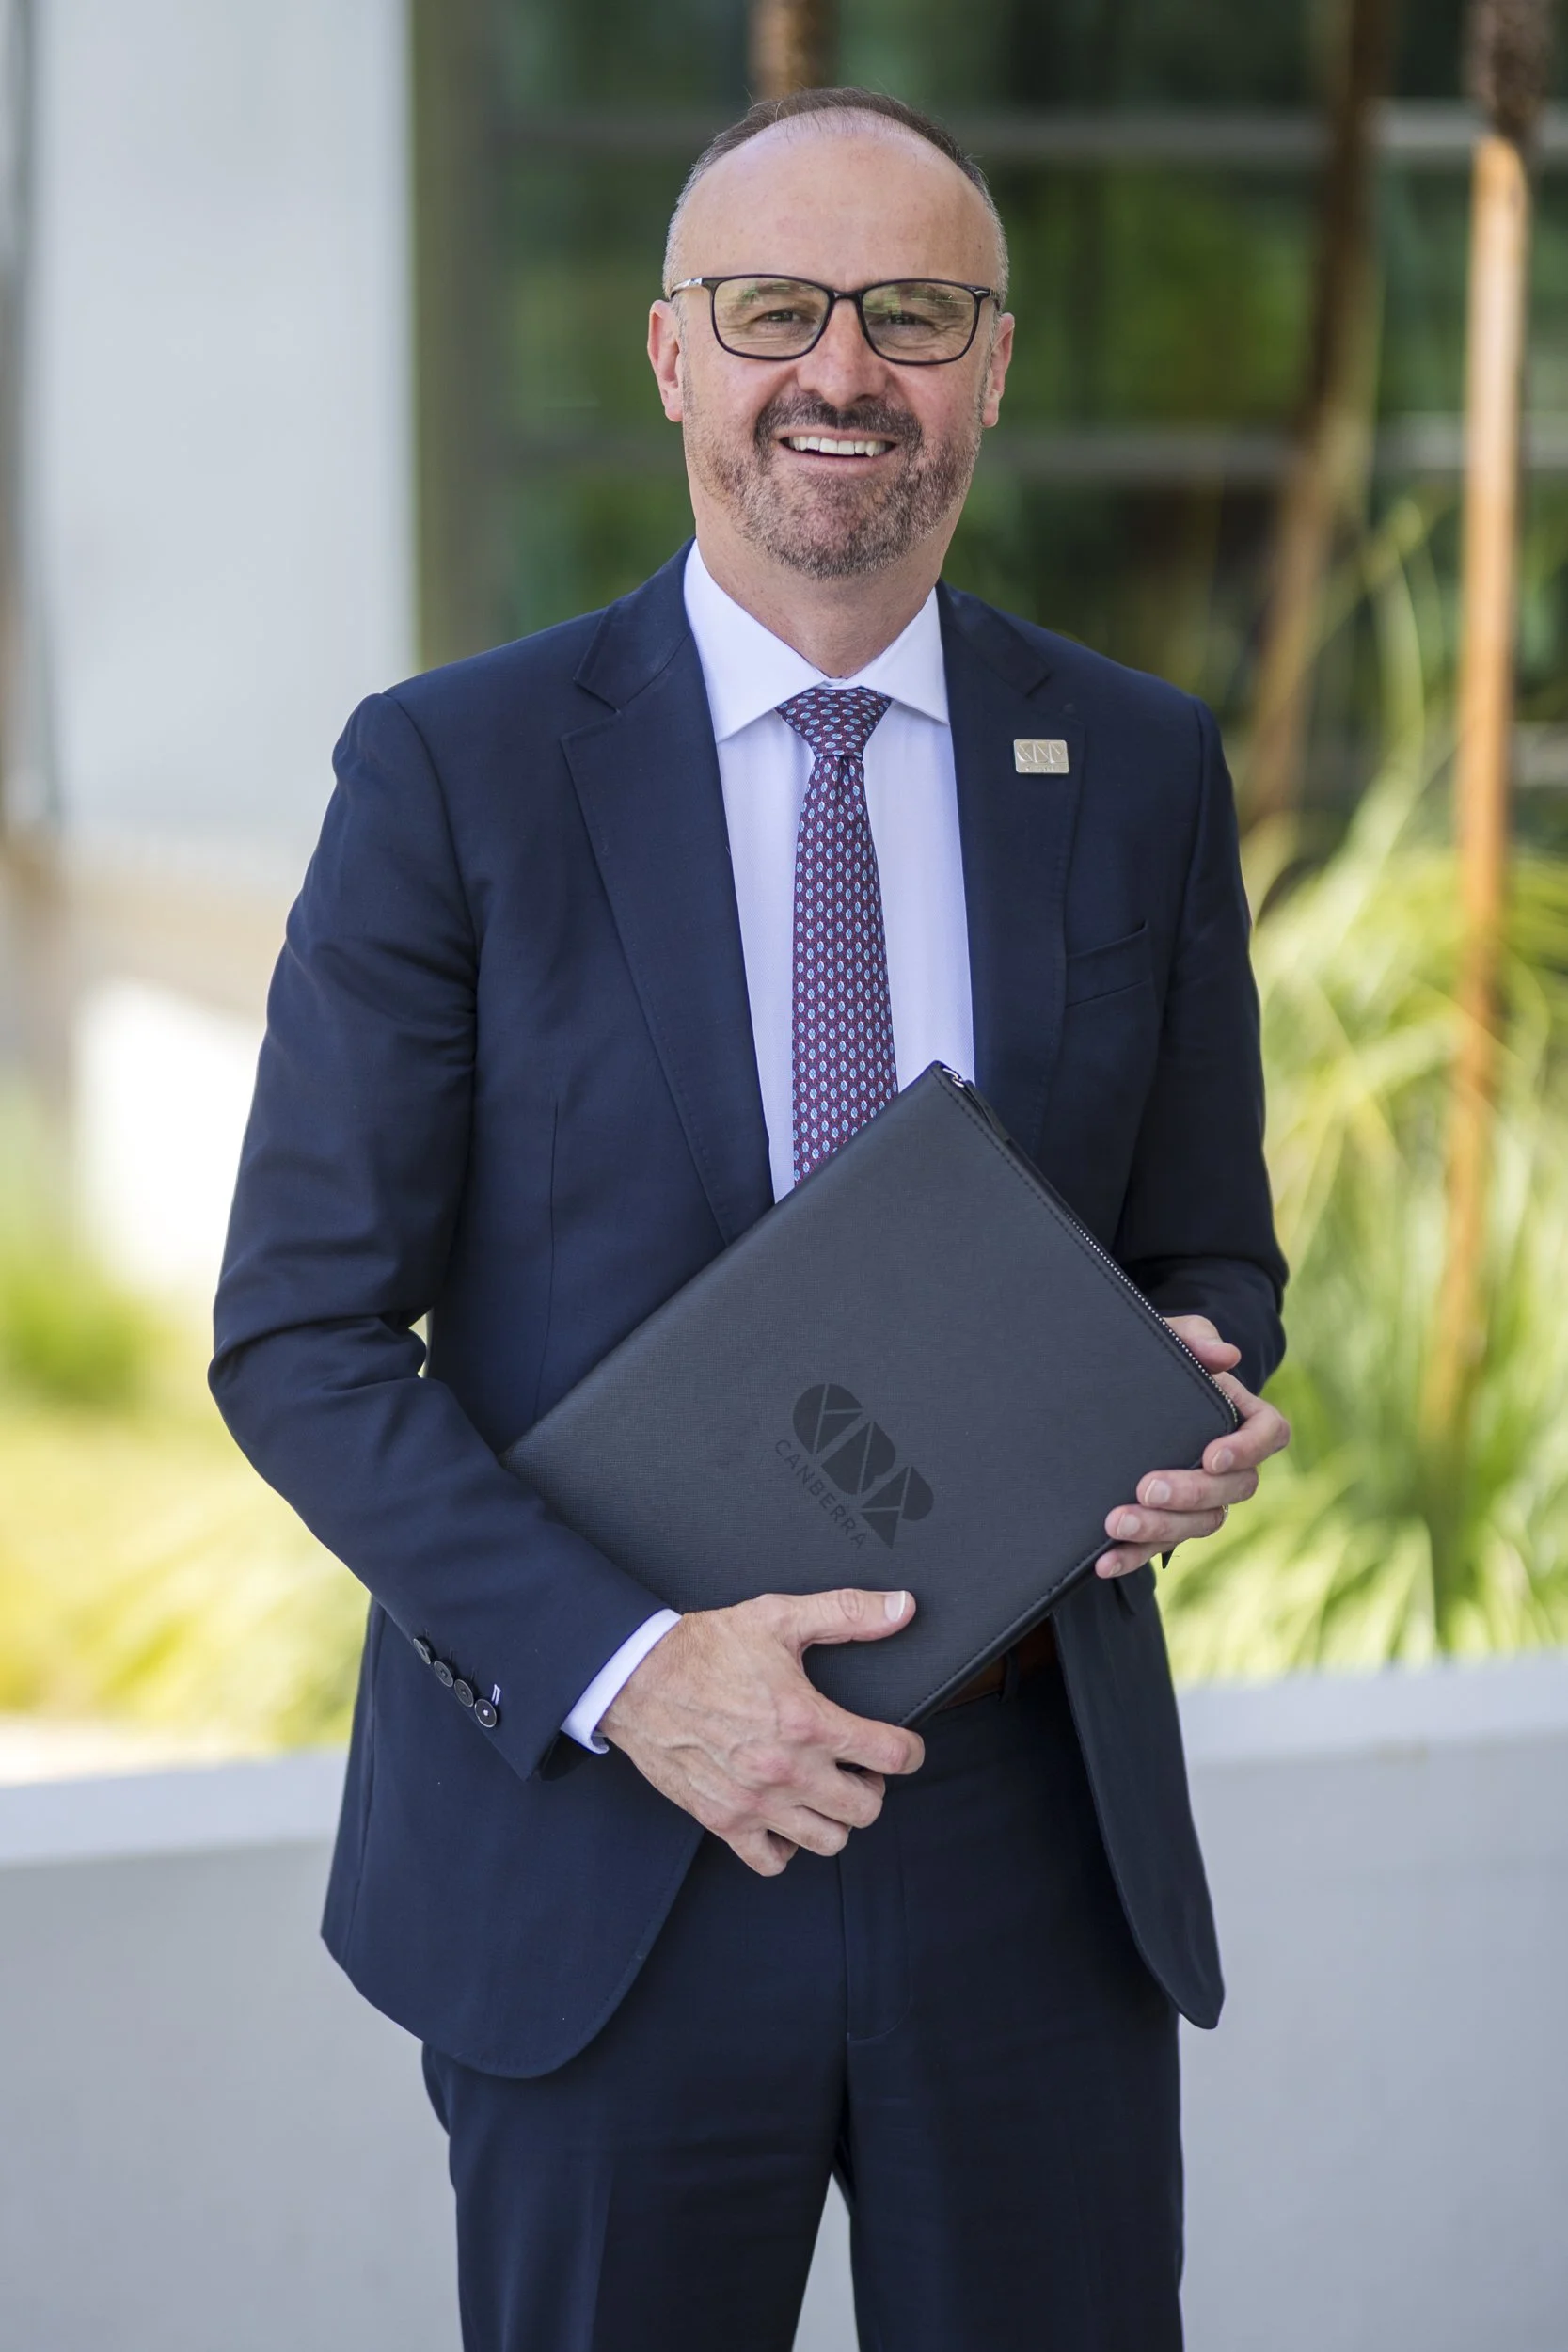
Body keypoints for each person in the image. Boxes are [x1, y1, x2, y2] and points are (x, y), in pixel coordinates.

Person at [212, 86, 1289, 2352]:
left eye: (910, 313)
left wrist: (1195, 1387)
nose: (841, 371)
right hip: (606, 1843)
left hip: (1024, 1839)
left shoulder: (1134, 765)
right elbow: (300, 1336)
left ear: (991, 366)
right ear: (669, 353)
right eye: (772, 306)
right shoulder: (452, 774)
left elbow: (1207, 1248)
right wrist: (636, 1675)